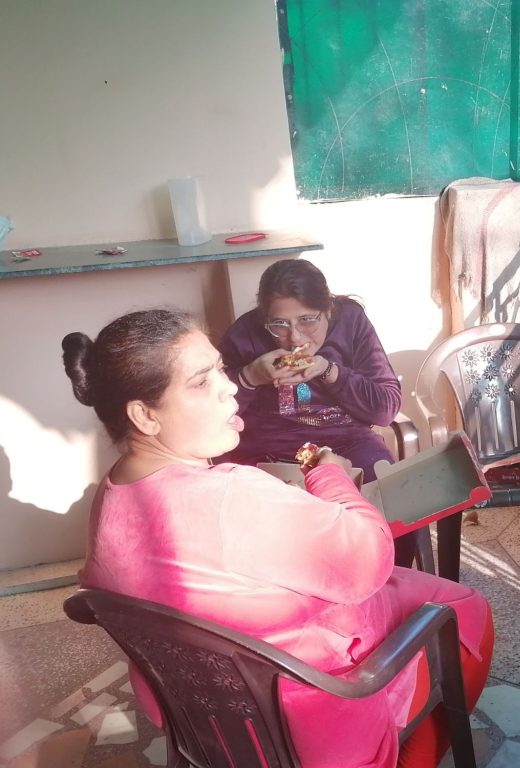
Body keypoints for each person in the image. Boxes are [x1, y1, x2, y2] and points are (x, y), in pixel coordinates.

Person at [62, 308, 493, 768]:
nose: (230, 387)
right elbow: (368, 562)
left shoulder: (112, 495)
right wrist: (330, 475)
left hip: (201, 714)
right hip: (309, 717)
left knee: (407, 591)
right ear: (145, 415)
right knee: (464, 607)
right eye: (202, 382)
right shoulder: (233, 495)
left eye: (221, 369)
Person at [216, 258, 422, 564]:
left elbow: (385, 408)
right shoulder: (244, 334)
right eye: (279, 324)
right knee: (267, 529)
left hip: (346, 443)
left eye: (307, 320)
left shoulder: (350, 322)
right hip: (266, 452)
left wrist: (329, 372)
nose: (295, 338)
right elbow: (215, 414)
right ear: (264, 317)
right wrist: (250, 377)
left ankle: (391, 577)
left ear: (327, 309)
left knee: (390, 500)